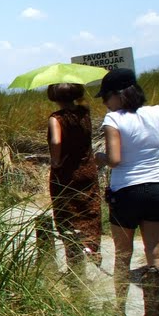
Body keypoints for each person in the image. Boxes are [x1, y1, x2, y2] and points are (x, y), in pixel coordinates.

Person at [94, 68, 159, 316]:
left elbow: (116, 160)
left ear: (117, 96)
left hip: (126, 191)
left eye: (105, 96)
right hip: (155, 189)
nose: (104, 102)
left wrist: (101, 158)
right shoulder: (158, 113)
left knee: (123, 254)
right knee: (155, 254)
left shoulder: (113, 119)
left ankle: (119, 311)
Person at [46, 83, 101, 270]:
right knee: (89, 208)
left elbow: (56, 140)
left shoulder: (56, 118)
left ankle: (74, 255)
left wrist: (55, 161)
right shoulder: (84, 113)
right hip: (87, 168)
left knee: (67, 212)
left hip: (66, 172)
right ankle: (91, 246)